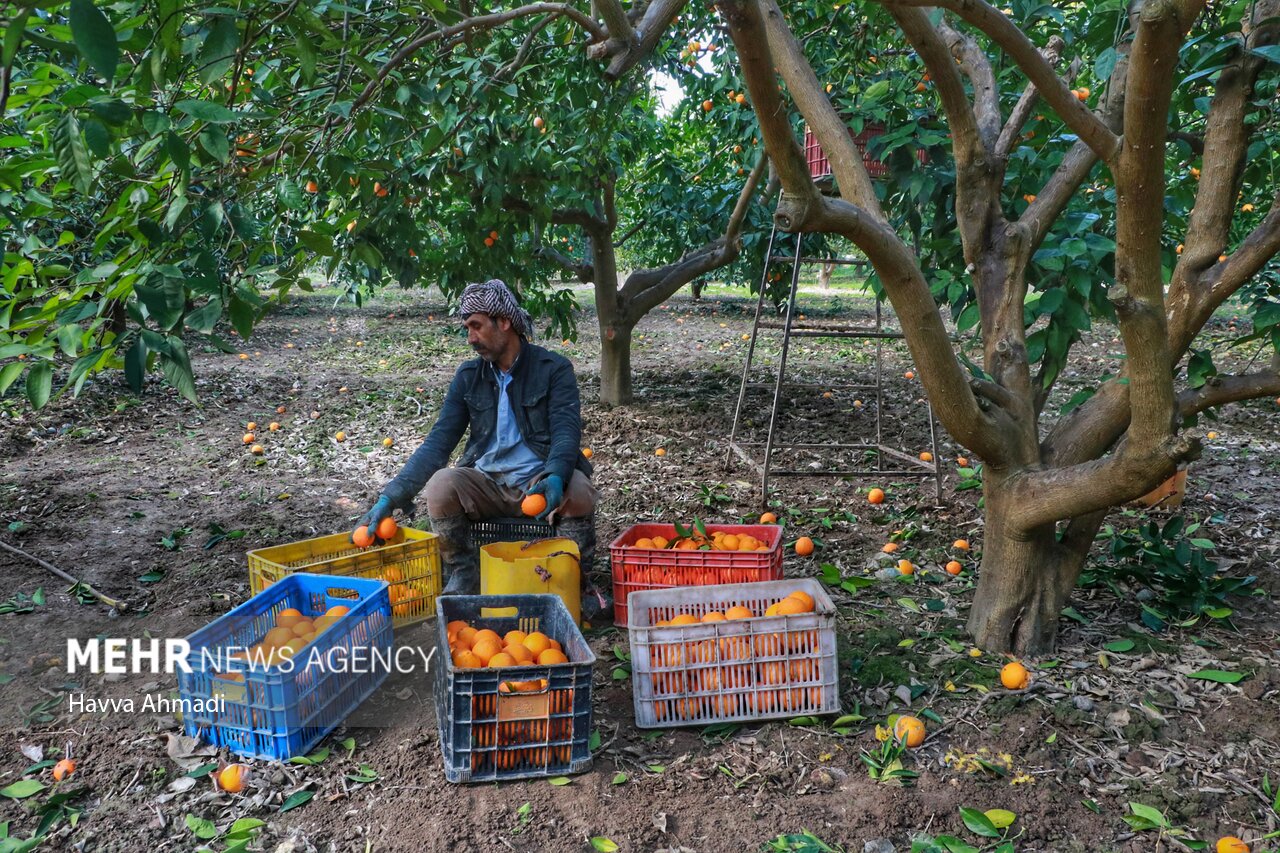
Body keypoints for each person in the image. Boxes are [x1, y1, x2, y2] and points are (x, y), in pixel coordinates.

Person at [356, 279, 608, 623]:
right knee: (442, 485)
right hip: (487, 482)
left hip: (537, 480)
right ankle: (465, 573)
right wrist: (392, 495)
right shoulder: (469, 376)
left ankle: (574, 584)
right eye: (467, 328)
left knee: (577, 489)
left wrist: (555, 476)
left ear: (504, 322)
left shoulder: (553, 369)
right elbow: (439, 442)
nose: (470, 338)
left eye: (476, 326)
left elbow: (566, 431)